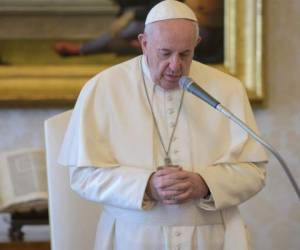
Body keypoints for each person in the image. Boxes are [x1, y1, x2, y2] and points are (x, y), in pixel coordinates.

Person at [58, 1, 267, 249]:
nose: (175, 66)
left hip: (213, 238)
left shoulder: (227, 89)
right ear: (144, 43)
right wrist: (146, 186)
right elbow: (83, 176)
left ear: (196, 45)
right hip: (134, 238)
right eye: (165, 53)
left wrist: (205, 183)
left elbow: (254, 172)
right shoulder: (103, 88)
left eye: (185, 54)